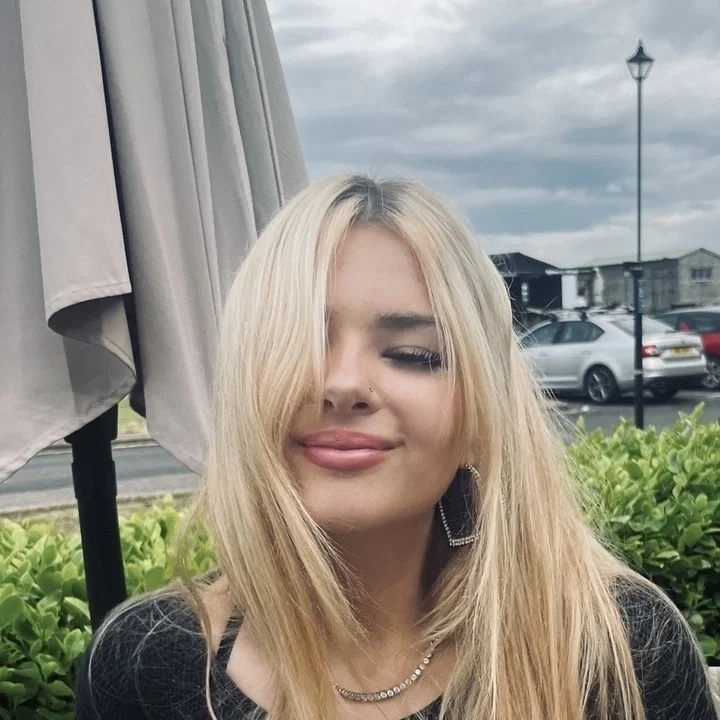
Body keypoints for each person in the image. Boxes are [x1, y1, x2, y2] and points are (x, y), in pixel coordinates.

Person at [73, 175, 718, 720]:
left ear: (480, 415)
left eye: (414, 354)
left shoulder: (618, 648)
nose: (343, 384)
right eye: (296, 341)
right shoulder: (143, 663)